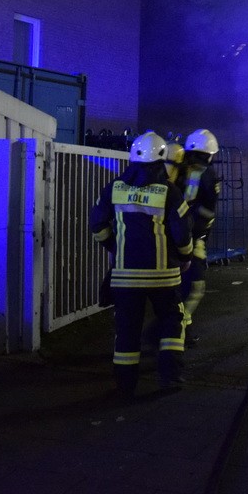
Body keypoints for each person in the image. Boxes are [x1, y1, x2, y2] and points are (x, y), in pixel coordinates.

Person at [89, 131, 193, 395]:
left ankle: (125, 386)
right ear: (161, 160)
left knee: (127, 330)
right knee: (172, 321)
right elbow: (182, 234)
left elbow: (97, 225)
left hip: (125, 277)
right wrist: (186, 257)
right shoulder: (169, 192)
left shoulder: (114, 188)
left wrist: (114, 245)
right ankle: (170, 376)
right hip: (164, 276)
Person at [169, 129, 221, 348]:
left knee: (181, 287)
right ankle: (175, 326)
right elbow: (206, 212)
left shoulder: (180, 170)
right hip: (193, 239)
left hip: (174, 236)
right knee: (196, 289)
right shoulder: (208, 174)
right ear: (208, 153)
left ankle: (184, 329)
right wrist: (198, 241)